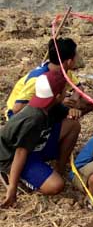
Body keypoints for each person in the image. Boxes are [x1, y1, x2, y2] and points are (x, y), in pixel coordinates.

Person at [5, 38, 85, 175]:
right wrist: (56, 103)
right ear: (69, 61)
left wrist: (72, 100)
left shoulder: (64, 71)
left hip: (47, 109)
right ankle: (23, 163)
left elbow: (78, 88)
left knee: (77, 118)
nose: (78, 57)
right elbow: (17, 109)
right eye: (76, 54)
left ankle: (58, 165)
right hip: (24, 119)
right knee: (54, 186)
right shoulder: (38, 78)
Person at [1, 71, 70, 207]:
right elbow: (20, 153)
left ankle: (58, 169)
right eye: (64, 92)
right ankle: (12, 176)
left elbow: (74, 110)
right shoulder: (34, 119)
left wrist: (78, 108)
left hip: (34, 146)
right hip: (11, 156)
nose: (66, 95)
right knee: (56, 186)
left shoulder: (49, 105)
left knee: (72, 126)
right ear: (57, 96)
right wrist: (12, 189)